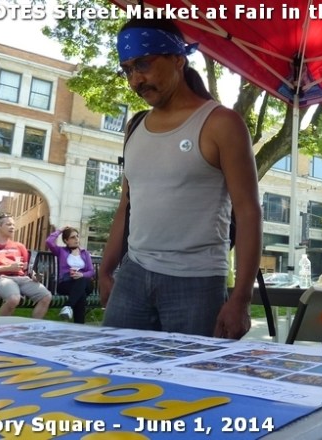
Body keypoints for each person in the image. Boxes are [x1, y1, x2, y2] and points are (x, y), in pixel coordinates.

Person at [98, 17, 262, 339]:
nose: (135, 80)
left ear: (177, 59)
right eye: (127, 70)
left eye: (143, 64)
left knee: (193, 371)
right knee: (113, 367)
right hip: (133, 274)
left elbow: (248, 212)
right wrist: (105, 270)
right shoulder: (134, 126)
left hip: (196, 282)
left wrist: (242, 298)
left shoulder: (221, 123)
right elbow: (126, 205)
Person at [0, 214, 52, 318]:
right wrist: (7, 268)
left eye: (13, 225)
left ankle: (33, 326)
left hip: (23, 278)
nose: (12, 227)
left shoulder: (19, 246)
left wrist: (35, 276)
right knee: (14, 299)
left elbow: (26, 268)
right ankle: (1, 326)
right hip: (1, 278)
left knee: (46, 296)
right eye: (8, 224)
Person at [46, 227, 94, 324]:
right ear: (66, 241)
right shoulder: (61, 251)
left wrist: (82, 274)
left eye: (77, 236)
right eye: (72, 237)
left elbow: (91, 271)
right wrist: (60, 230)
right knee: (81, 294)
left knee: (82, 281)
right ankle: (79, 326)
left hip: (84, 282)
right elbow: (49, 241)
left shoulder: (85, 253)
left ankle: (68, 306)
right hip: (66, 283)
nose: (76, 239)